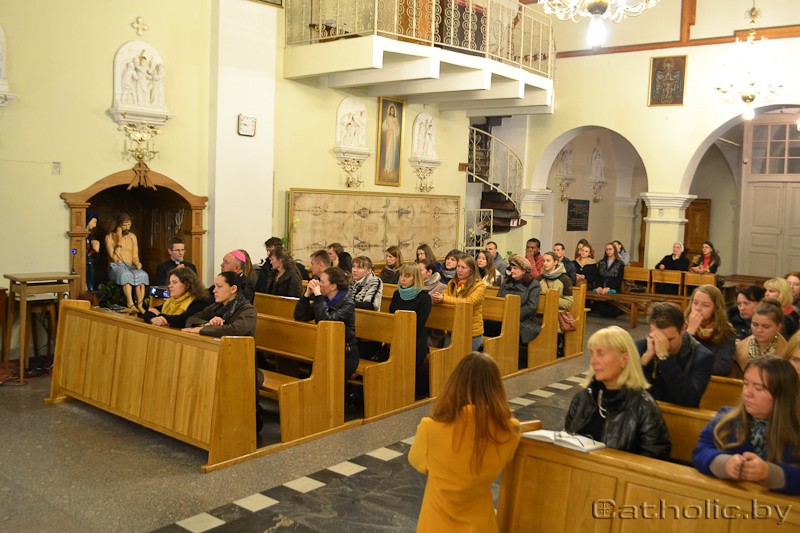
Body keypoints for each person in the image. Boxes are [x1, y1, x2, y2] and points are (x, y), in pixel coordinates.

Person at [409, 352, 535, 532]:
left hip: (437, 525)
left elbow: (416, 461)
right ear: (496, 388)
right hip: (481, 525)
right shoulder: (510, 430)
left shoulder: (431, 428)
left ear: (455, 384)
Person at [693, 357, 800, 495]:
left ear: (782, 396)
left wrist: (768, 472)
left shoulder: (795, 429)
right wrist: (726, 464)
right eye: (746, 383)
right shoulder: (726, 418)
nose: (747, 393)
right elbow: (700, 452)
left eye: (759, 388)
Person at [565, 326, 671, 460]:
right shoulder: (583, 398)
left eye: (601, 354)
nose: (593, 361)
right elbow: (566, 441)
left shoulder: (644, 406)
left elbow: (655, 457)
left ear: (624, 359)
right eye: (592, 354)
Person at [183, 271, 261, 432]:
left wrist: (206, 330)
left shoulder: (247, 310)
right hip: (219, 359)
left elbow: (236, 329)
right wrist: (206, 324)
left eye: (219, 286)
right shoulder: (217, 307)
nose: (214, 290)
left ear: (233, 289)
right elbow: (191, 319)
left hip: (241, 364)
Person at [637, 302, 714, 407]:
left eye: (669, 339)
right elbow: (626, 393)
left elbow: (690, 400)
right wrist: (644, 361)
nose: (663, 345)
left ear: (683, 329)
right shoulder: (640, 348)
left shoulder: (702, 357)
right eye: (657, 338)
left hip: (679, 415)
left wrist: (664, 358)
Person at [294, 267, 358, 382]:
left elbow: (327, 324)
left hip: (344, 353)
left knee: (329, 384)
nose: (319, 284)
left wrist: (318, 297)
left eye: (322, 282)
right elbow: (300, 316)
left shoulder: (347, 304)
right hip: (325, 350)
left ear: (333, 286)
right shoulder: (324, 300)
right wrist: (306, 295)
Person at [386, 263, 432, 396]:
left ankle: (412, 393)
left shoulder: (424, 298)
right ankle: (393, 392)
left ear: (415, 278)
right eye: (401, 275)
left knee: (412, 359)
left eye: (407, 276)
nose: (402, 279)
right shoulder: (397, 294)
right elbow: (391, 316)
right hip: (397, 337)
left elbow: (419, 324)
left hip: (415, 338)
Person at [490, 255, 540, 363]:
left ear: (524, 271)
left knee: (507, 327)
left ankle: (506, 360)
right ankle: (491, 356)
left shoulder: (533, 284)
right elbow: (499, 299)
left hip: (524, 321)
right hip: (503, 318)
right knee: (487, 325)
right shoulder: (507, 282)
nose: (512, 271)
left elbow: (531, 306)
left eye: (515, 268)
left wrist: (513, 316)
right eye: (511, 268)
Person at [431, 255, 485, 351]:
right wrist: (438, 298)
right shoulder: (452, 282)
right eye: (458, 267)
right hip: (453, 329)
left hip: (471, 332)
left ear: (471, 270)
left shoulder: (479, 286)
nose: (459, 270)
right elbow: (445, 296)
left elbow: (468, 302)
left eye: (463, 268)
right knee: (446, 355)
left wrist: (444, 299)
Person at [685, 285, 736, 376]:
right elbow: (677, 357)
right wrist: (690, 331)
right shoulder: (681, 326)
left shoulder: (726, 332)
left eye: (705, 305)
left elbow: (721, 367)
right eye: (695, 303)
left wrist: (690, 364)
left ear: (715, 309)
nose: (698, 308)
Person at [105, 212, 150, 313]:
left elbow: (135, 255)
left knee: (142, 275)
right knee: (126, 275)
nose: (127, 227)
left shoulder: (132, 237)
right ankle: (130, 303)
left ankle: (140, 305)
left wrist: (137, 262)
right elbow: (114, 258)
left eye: (129, 224)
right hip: (116, 266)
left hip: (130, 266)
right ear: (118, 225)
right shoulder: (109, 237)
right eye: (124, 225)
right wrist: (119, 240)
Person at [734, 299, 787, 377]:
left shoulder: (786, 353)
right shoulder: (740, 349)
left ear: (778, 326)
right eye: (755, 325)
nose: (759, 330)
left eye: (766, 326)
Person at [143, 268, 208, 329]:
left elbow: (182, 321)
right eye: (170, 282)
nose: (169, 286)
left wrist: (158, 315)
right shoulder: (171, 301)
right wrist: (153, 319)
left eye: (174, 282)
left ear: (187, 285)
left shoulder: (199, 302)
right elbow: (149, 312)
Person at [538, 251, 574, 356]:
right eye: (543, 261)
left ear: (555, 262)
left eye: (548, 261)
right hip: (542, 311)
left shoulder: (565, 279)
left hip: (558, 312)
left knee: (553, 320)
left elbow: (569, 302)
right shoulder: (540, 279)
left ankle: (557, 346)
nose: (545, 263)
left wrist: (552, 300)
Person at [381, 104, 400, 173]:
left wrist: (395, 126)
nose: (392, 112)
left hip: (393, 137)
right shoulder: (388, 118)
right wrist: (389, 128)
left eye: (393, 111)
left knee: (392, 151)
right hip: (389, 135)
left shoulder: (395, 119)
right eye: (391, 111)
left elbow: (397, 131)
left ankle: (391, 167)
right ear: (389, 111)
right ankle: (387, 167)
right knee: (388, 151)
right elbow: (384, 127)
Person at [85, 212, 101, 291]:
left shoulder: (88, 236)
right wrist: (94, 250)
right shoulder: (83, 236)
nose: (95, 225)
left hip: (90, 262)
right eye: (94, 222)